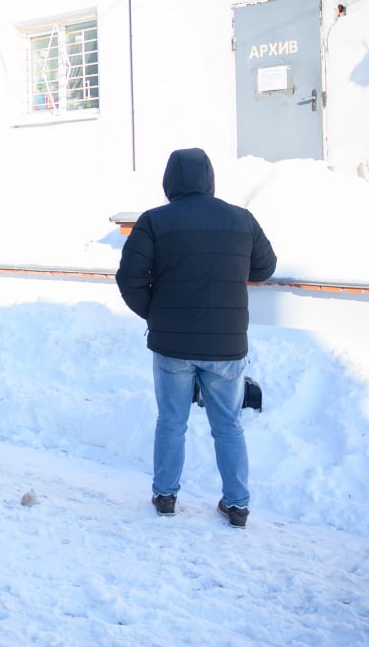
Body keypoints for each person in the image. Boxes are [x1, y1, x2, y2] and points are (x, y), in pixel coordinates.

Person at [116, 148, 277, 528]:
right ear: (210, 178)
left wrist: (154, 313)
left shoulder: (154, 222)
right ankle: (237, 505)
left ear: (169, 180)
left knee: (172, 421)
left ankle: (166, 495)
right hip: (226, 346)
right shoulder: (241, 219)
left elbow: (129, 278)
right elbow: (265, 267)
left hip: (172, 347)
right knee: (228, 426)